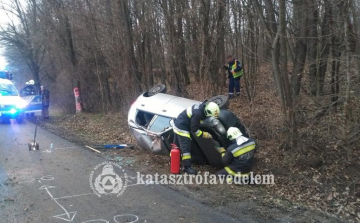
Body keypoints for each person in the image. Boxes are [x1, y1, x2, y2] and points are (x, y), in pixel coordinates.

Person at [173, 101, 220, 174]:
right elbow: (195, 130)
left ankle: (173, 160)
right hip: (182, 126)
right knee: (186, 147)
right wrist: (205, 135)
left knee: (176, 146)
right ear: (207, 112)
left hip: (181, 122)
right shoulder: (198, 114)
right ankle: (187, 167)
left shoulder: (203, 107)